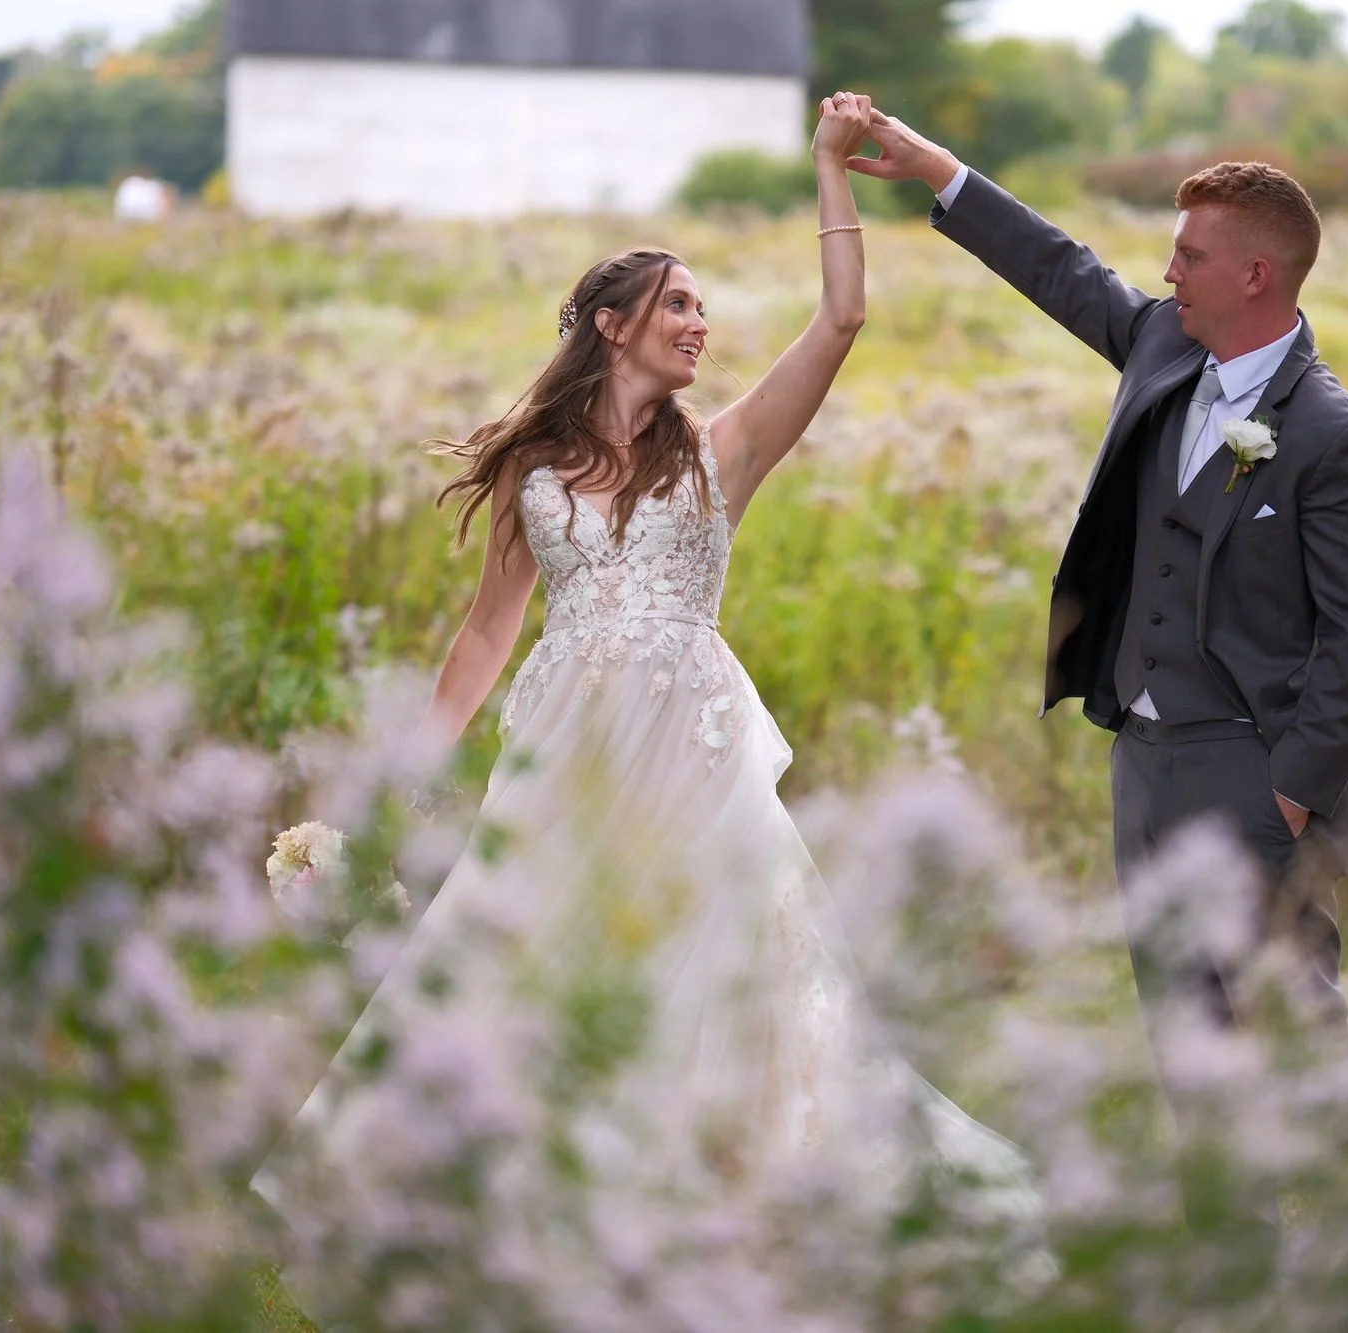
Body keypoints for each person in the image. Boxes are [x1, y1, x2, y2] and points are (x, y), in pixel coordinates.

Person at [251, 93, 1040, 1310]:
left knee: (720, 976)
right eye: (677, 303)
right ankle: (499, 1211)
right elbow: (483, 634)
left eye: (702, 307)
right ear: (611, 324)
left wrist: (832, 170)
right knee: (518, 962)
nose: (699, 322)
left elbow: (842, 318)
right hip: (565, 761)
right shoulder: (532, 470)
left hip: (696, 757)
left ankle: (712, 1226)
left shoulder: (723, 454)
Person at [846, 115, 1348, 1225]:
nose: (1166, 270)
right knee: (1179, 1025)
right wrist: (934, 170)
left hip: (1252, 776)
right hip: (1143, 761)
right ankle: (1234, 1242)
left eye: (1190, 254)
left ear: (1255, 273)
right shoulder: (1164, 347)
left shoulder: (1330, 432)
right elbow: (1061, 270)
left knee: (1292, 1021)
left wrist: (1293, 785)